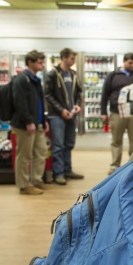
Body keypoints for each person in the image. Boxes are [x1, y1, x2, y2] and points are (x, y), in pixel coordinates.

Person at [12, 50, 50, 195]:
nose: (42, 65)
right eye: (40, 62)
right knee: (24, 155)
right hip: (25, 125)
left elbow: (40, 103)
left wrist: (44, 120)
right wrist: (28, 121)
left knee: (41, 152)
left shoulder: (36, 79)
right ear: (30, 62)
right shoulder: (22, 79)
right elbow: (19, 102)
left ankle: (36, 180)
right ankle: (23, 184)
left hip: (38, 122)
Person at [44, 48, 84, 185]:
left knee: (69, 144)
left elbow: (79, 92)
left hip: (72, 115)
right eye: (72, 58)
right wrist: (61, 110)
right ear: (64, 58)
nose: (74, 61)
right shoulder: (53, 74)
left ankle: (67, 170)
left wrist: (78, 105)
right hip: (57, 116)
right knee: (58, 145)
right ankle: (58, 173)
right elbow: (48, 94)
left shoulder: (73, 74)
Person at [100, 53, 133, 175]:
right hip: (116, 113)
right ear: (124, 62)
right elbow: (105, 94)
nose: (132, 65)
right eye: (130, 63)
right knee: (116, 140)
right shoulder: (113, 75)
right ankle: (114, 166)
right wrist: (103, 112)